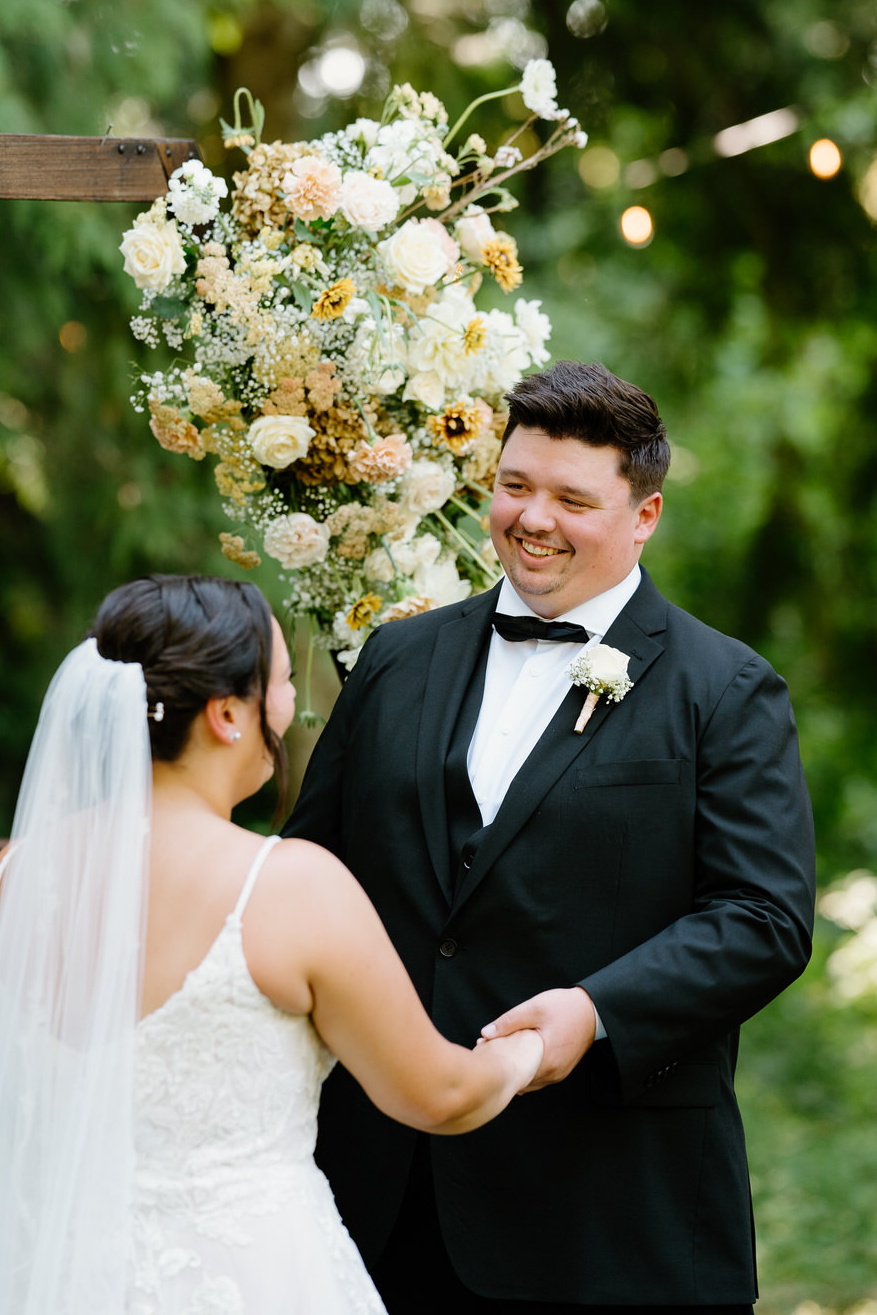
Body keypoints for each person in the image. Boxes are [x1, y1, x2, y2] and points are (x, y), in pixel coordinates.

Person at [282, 360, 816, 1314]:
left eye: (573, 499)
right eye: (515, 486)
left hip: (608, 1210)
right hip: (381, 1198)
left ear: (644, 516)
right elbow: (308, 873)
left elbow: (762, 919)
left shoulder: (724, 691)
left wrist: (595, 1011)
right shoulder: (398, 658)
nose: (532, 519)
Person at [0, 574, 542, 1315]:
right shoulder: (286, 887)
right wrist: (529, 1051)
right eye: (284, 681)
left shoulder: (14, 878)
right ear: (229, 714)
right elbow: (441, 1095)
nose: (290, 704)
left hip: (62, 1276)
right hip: (252, 1279)